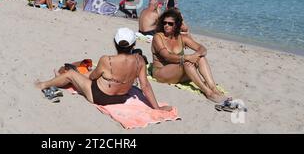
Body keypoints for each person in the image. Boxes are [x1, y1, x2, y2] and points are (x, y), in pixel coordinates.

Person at [36, 28, 173, 110]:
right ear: (134, 44)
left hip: (99, 97)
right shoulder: (140, 60)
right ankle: (61, 78)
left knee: (72, 74)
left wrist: (82, 76)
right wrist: (157, 108)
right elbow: (146, 86)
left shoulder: (106, 60)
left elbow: (92, 77)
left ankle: (44, 84)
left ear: (115, 43)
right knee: (84, 75)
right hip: (120, 98)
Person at [151, 9, 226, 103]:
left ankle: (213, 88)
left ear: (176, 25)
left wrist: (196, 55)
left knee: (201, 58)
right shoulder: (158, 37)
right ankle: (208, 92)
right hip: (162, 72)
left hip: (178, 72)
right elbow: (166, 56)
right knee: (186, 62)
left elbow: (202, 48)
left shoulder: (182, 38)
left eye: (170, 23)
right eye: (164, 23)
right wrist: (188, 57)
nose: (166, 25)